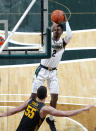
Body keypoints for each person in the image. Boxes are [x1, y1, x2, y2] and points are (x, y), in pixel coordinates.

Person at [31, 13, 72, 130]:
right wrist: (55, 23)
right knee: (33, 96)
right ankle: (32, 116)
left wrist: (66, 21)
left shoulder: (62, 43)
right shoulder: (47, 39)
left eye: (59, 29)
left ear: (61, 32)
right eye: (55, 29)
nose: (56, 31)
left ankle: (51, 119)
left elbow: (70, 35)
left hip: (53, 73)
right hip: (42, 70)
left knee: (55, 97)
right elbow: (48, 30)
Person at [0, 86, 95, 131]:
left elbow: (15, 110)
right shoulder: (44, 109)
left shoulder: (30, 101)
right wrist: (84, 109)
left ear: (36, 94)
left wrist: (2, 114)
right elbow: (66, 114)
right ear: (46, 96)